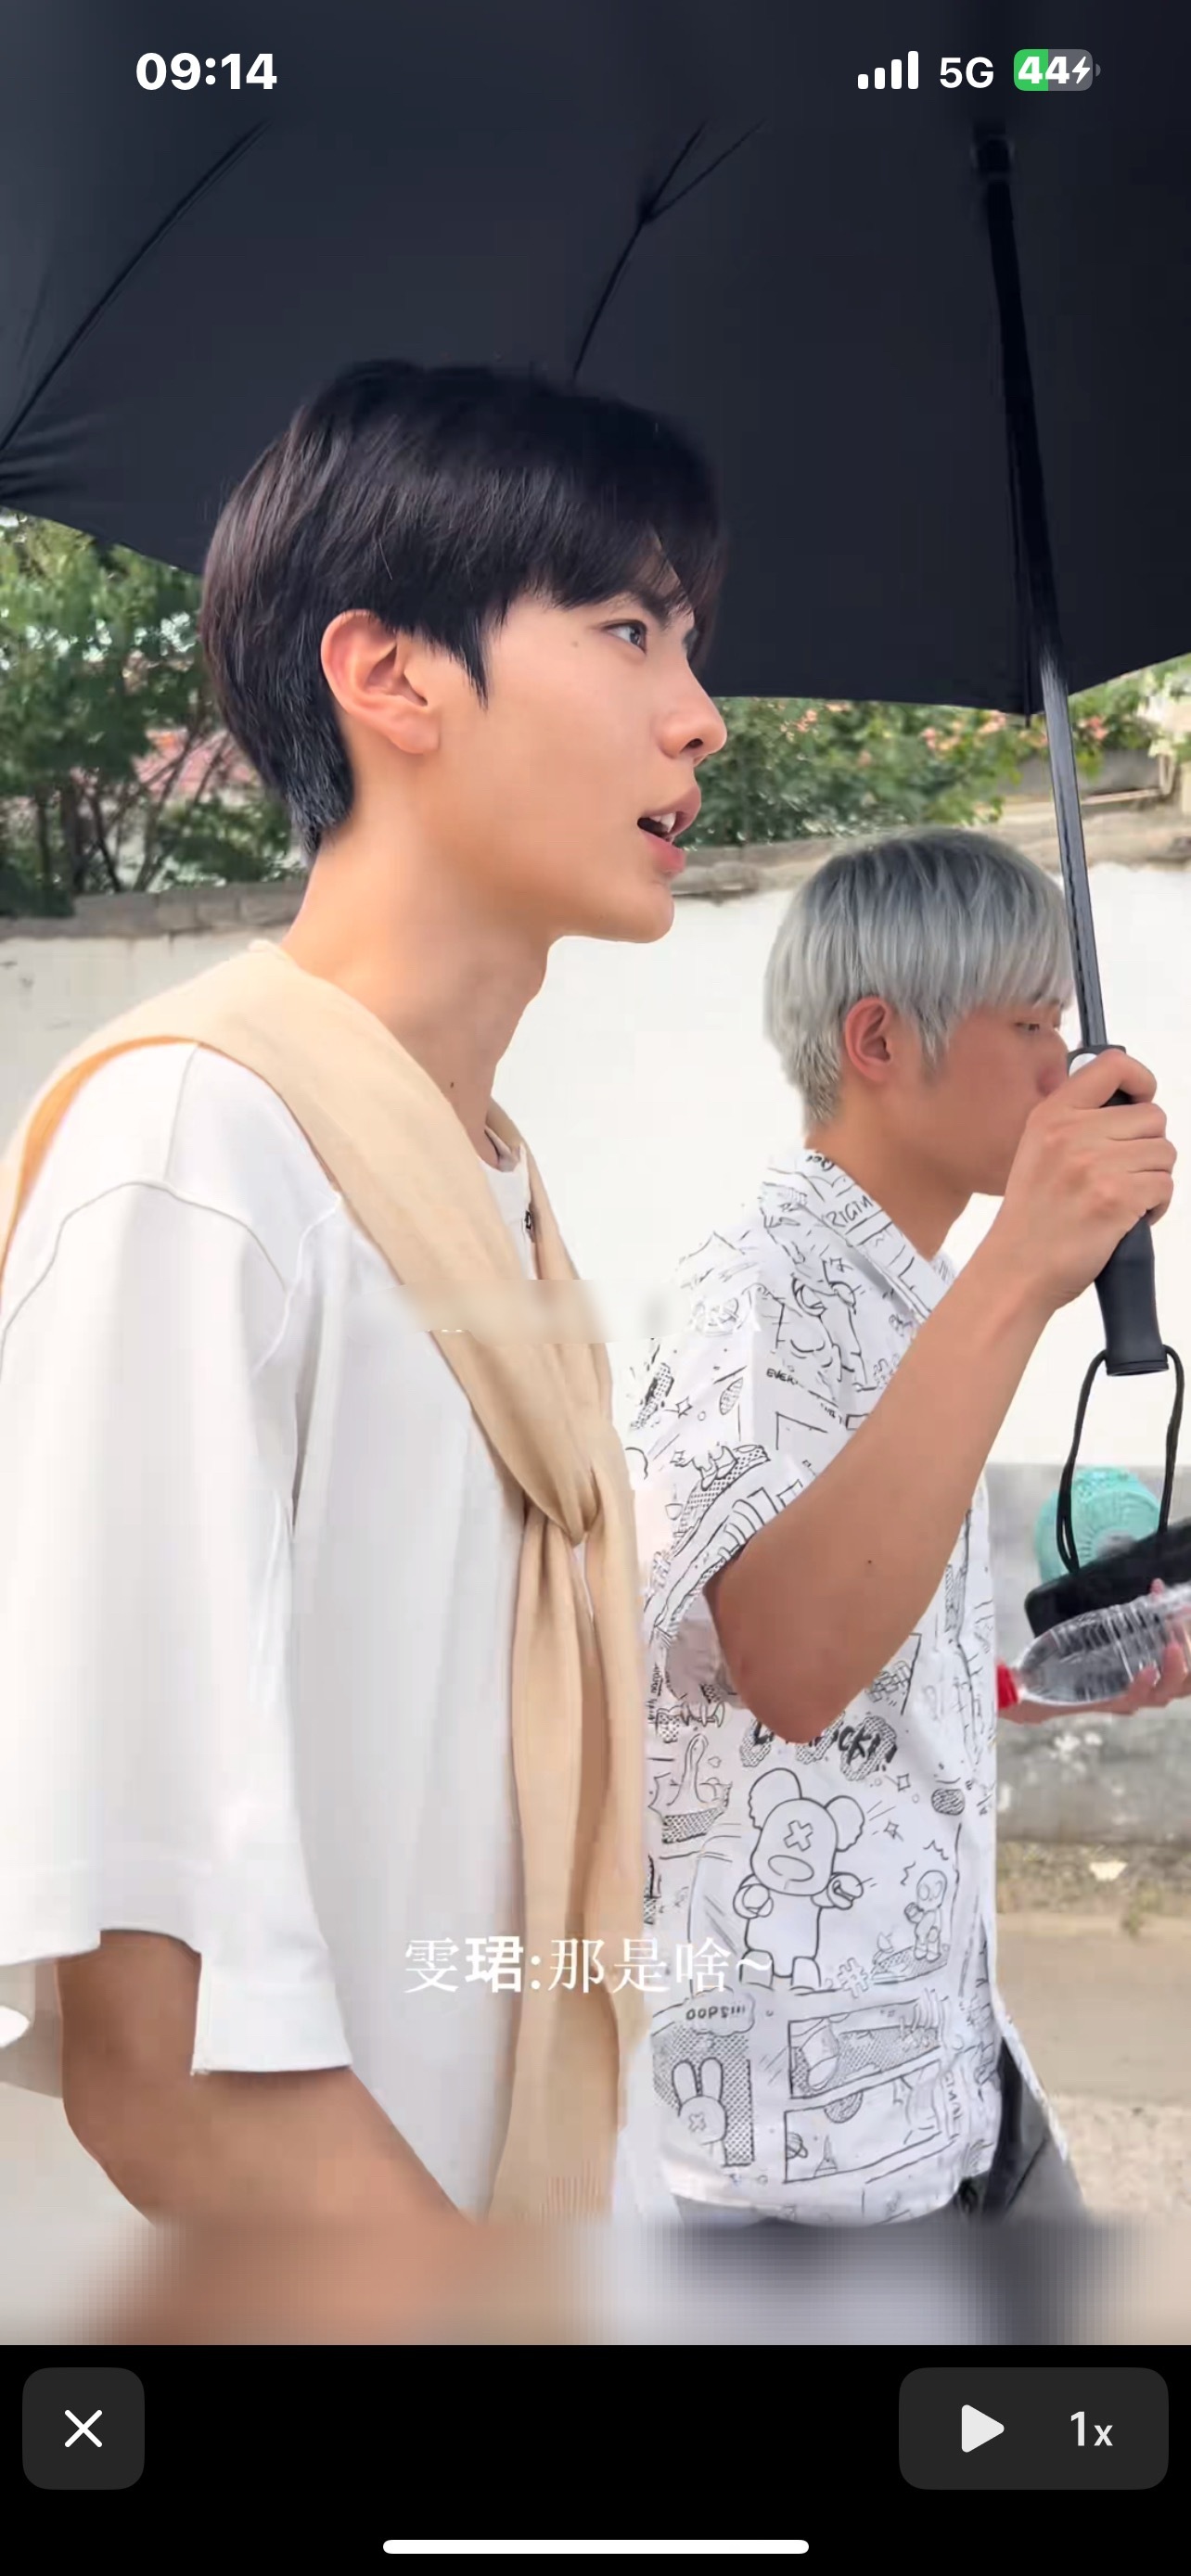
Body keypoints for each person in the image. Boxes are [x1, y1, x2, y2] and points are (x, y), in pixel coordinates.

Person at [0, 360, 727, 2333]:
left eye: (691, 642)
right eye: (629, 630)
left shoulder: (498, 1190)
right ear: (392, 676)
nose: (699, 715)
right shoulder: (197, 1154)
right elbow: (161, 2043)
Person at [625, 828, 1185, 2229]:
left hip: (944, 2075)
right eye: (1032, 1026)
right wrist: (1024, 1264)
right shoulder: (761, 1298)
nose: (1067, 1071)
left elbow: (869, 1669)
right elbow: (792, 1668)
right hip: (789, 2155)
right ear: (879, 1040)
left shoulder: (907, 1294)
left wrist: (1048, 1688)